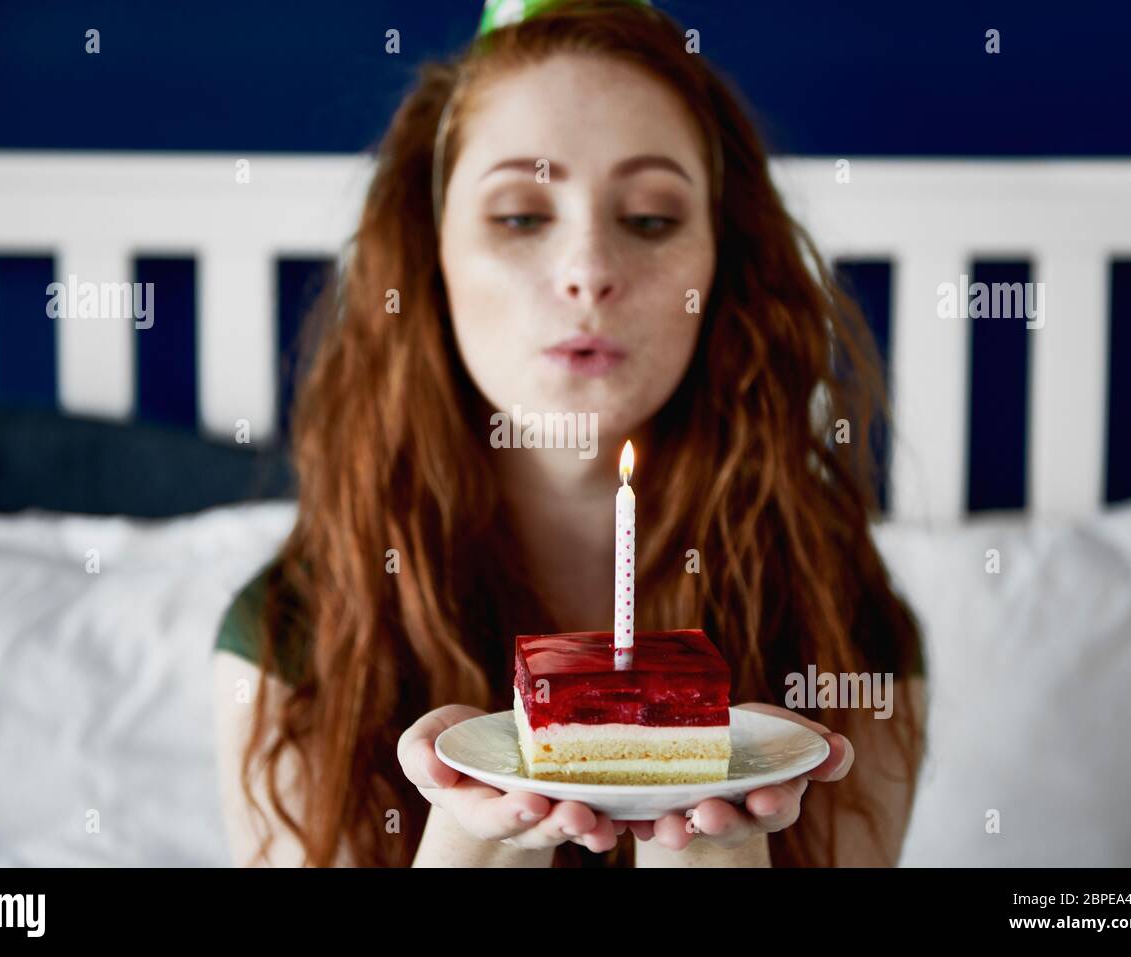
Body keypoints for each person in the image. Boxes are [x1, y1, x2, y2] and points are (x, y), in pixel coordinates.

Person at [212, 0, 928, 868]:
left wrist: (712, 854)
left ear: (721, 264)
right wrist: (476, 846)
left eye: (651, 218)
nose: (589, 270)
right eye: (520, 215)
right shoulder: (295, 638)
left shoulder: (842, 628)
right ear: (428, 258)